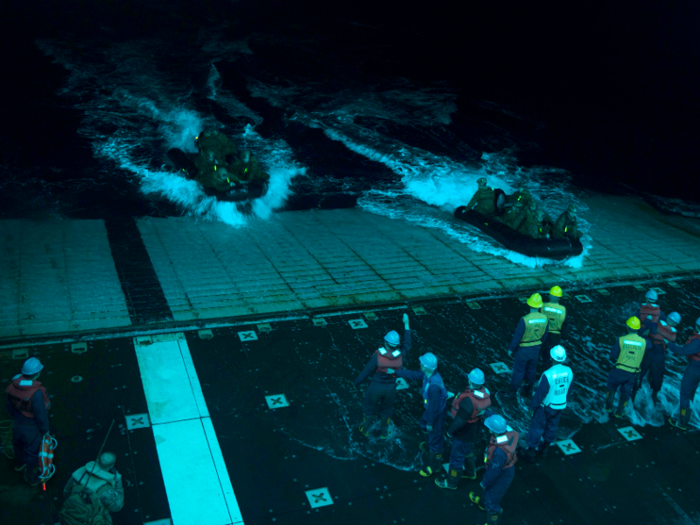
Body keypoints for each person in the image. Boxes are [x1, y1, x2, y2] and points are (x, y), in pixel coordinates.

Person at [389, 352, 449, 477]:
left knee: (435, 439)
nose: (420, 364)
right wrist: (396, 372)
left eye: (422, 363)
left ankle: (434, 466)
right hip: (431, 411)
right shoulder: (429, 375)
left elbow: (434, 407)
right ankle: (429, 445)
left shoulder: (433, 386)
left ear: (426, 366)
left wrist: (430, 423)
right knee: (422, 424)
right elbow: (413, 374)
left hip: (436, 415)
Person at [354, 314, 412, 439]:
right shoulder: (401, 354)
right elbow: (407, 344)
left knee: (369, 409)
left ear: (385, 342)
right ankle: (385, 433)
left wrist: (357, 382)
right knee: (387, 411)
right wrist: (406, 324)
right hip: (391, 388)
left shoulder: (378, 356)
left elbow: (366, 371)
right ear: (396, 345)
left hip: (375, 386)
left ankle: (365, 430)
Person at [436, 368, 491, 490]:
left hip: (463, 432)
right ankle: (471, 472)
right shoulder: (484, 394)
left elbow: (460, 421)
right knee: (467, 449)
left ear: (470, 380)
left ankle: (451, 482)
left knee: (456, 458)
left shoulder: (468, 401)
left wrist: (450, 432)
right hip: (474, 429)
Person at [4, 357, 51, 486]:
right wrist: (45, 430)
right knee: (32, 451)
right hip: (30, 426)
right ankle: (32, 477)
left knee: (18, 445)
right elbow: (40, 414)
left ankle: (19, 465)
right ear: (38, 373)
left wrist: (16, 416)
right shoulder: (36, 393)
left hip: (17, 421)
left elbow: (8, 404)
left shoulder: (14, 384)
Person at [523, 345, 574, 462]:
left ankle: (531, 452)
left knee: (537, 427)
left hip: (545, 407)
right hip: (559, 406)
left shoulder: (548, 374)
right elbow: (569, 390)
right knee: (552, 427)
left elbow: (540, 394)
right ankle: (544, 449)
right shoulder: (569, 371)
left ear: (552, 358)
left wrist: (532, 408)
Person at [469, 414, 518, 525]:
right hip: (506, 468)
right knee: (489, 490)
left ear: (492, 430)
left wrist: (484, 482)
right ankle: (483, 503)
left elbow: (493, 471)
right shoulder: (507, 432)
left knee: (491, 498)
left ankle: (492, 519)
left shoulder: (499, 453)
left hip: (502, 473)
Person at [59, 452, 125, 525]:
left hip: (70, 516)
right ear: (112, 465)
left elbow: (66, 493)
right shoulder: (106, 489)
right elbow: (117, 507)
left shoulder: (80, 473)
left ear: (97, 460)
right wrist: (118, 483)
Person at [605, 317, 647, 418]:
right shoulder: (643, 342)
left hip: (619, 370)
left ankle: (608, 407)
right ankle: (619, 412)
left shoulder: (621, 339)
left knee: (611, 388)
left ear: (627, 327)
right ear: (638, 329)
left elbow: (613, 355)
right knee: (626, 393)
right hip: (632, 373)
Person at [508, 293, 549, 395]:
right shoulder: (545, 319)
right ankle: (529, 389)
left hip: (523, 349)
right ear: (540, 306)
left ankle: (513, 391)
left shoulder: (525, 319)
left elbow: (518, 336)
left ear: (530, 305)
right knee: (531, 369)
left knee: (519, 370)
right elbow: (545, 335)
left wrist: (511, 349)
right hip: (535, 348)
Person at [632, 290, 667, 400]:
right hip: (658, 351)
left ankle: (633, 396)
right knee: (657, 374)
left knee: (639, 373)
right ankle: (654, 397)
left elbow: (634, 330)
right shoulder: (662, 315)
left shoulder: (639, 312)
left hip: (645, 349)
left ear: (646, 299)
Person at [639, 311, 680, 404]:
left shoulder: (662, 326)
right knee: (646, 372)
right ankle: (646, 392)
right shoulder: (670, 331)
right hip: (654, 352)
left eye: (672, 321)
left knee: (653, 374)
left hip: (655, 352)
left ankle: (649, 393)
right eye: (670, 319)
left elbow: (653, 333)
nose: (670, 321)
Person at [667, 317, 700, 431]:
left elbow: (683, 351)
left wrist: (669, 344)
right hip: (698, 369)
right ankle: (685, 418)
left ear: (697, 326)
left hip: (693, 368)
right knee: (691, 393)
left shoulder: (696, 341)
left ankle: (682, 422)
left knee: (685, 394)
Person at [540, 286, 569, 370]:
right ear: (559, 298)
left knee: (540, 353)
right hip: (555, 336)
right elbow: (565, 326)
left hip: (542, 334)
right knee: (551, 355)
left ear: (550, 296)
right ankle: (549, 370)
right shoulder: (563, 310)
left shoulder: (543, 306)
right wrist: (564, 338)